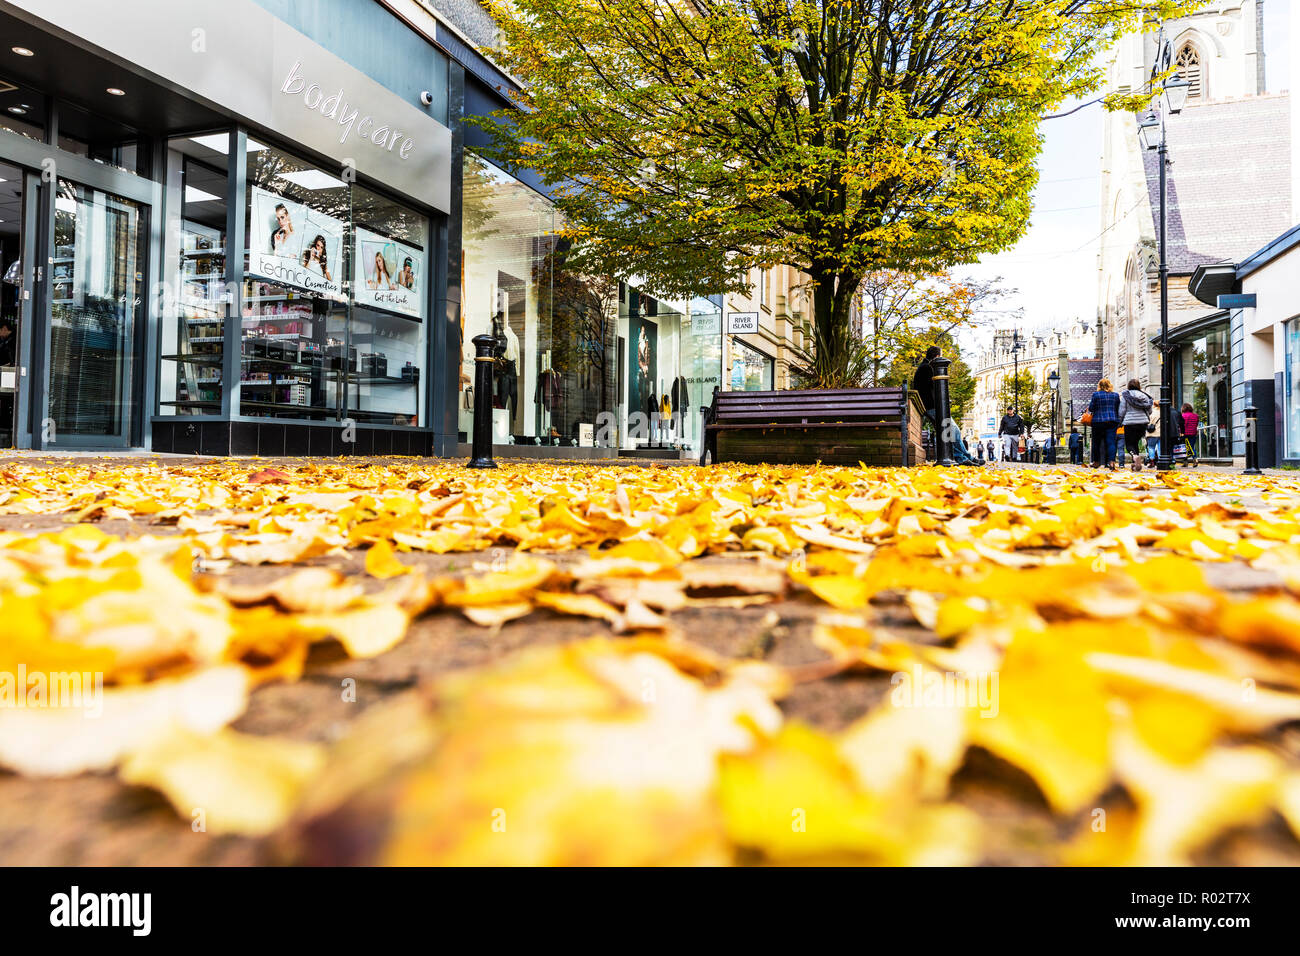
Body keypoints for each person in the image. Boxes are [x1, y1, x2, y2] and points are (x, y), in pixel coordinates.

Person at [911, 345, 979, 465]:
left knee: (951, 432)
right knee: (953, 431)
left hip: (932, 406)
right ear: (937, 356)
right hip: (932, 406)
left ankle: (963, 458)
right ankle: (965, 458)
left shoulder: (924, 367)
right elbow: (933, 388)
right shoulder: (928, 368)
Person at [1117, 378, 1154, 472]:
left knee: (1129, 444)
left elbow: (1122, 410)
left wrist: (1120, 422)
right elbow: (1149, 410)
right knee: (1136, 442)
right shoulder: (1144, 396)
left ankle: (1135, 456)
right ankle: (1135, 463)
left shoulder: (1125, 396)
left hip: (1130, 423)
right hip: (1142, 423)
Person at [1087, 378, 1122, 471]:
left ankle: (1096, 462)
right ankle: (1111, 462)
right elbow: (1118, 408)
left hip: (1098, 421)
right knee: (1111, 442)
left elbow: (1091, 408)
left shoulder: (1096, 395)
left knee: (1096, 442)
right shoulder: (1115, 395)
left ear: (1099, 386)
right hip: (1112, 421)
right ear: (1110, 385)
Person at [1181, 403, 1200, 467]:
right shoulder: (1196, 416)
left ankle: (1185, 462)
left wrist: (1181, 432)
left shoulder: (1183, 415)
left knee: (1184, 448)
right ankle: (1195, 459)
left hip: (1185, 433)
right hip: (1193, 433)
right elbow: (1196, 424)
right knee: (1191, 447)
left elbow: (1183, 425)